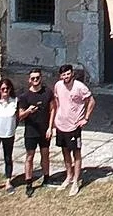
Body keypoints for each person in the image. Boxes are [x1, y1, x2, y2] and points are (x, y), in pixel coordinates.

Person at [50, 63, 95, 194]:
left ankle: (76, 181)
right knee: (65, 151)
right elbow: (57, 102)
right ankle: (68, 176)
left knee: (76, 153)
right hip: (61, 125)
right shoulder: (58, 85)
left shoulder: (80, 87)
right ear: (60, 76)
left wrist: (85, 118)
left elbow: (91, 101)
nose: (66, 76)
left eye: (68, 74)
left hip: (74, 126)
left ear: (72, 74)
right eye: (63, 74)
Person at [14, 69, 52, 195]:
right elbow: (20, 116)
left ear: (41, 78)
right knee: (29, 157)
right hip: (31, 131)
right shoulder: (24, 97)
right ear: (29, 80)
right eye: (33, 78)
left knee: (45, 154)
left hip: (44, 129)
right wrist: (28, 111)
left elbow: (52, 110)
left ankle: (47, 178)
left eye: (37, 78)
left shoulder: (47, 92)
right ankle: (29, 183)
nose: (35, 80)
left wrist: (50, 127)